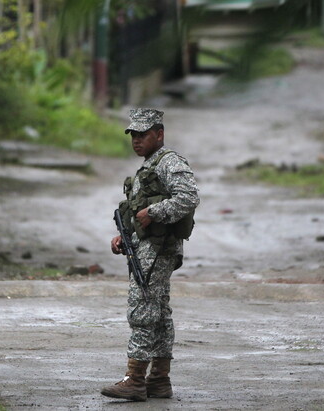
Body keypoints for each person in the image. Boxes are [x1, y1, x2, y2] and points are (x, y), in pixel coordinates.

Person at [101, 108, 200, 402]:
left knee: (142, 310)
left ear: (159, 134)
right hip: (147, 248)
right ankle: (158, 380)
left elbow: (188, 197)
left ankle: (134, 379)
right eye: (134, 134)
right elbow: (138, 212)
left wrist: (154, 212)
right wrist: (125, 236)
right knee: (158, 315)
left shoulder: (169, 162)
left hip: (158, 249)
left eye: (143, 134)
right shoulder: (149, 165)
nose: (137, 140)